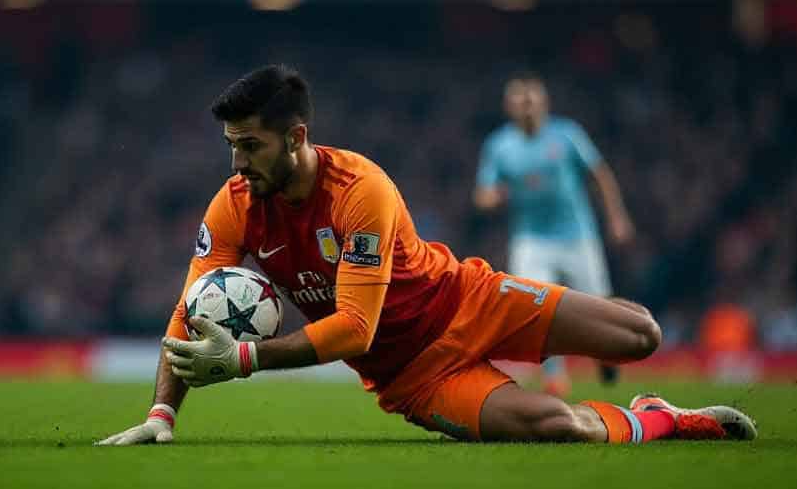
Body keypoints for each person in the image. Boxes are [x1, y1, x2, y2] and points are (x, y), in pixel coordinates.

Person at [97, 65, 756, 446]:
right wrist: (162, 412)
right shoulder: (236, 204)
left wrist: (245, 358)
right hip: (415, 377)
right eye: (231, 146)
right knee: (564, 428)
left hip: (470, 299)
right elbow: (190, 310)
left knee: (641, 334)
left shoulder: (361, 190)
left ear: (296, 137)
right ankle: (658, 419)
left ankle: (619, 362)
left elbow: (353, 325)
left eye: (250, 145)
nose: (237, 162)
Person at [473, 72, 634, 397]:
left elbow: (599, 174)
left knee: (599, 303)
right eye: (520, 99)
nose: (527, 105)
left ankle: (606, 354)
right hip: (531, 240)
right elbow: (482, 194)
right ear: (509, 106)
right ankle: (554, 375)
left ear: (544, 102)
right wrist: (492, 198)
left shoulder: (567, 135)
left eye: (531, 98)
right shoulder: (499, 145)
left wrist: (617, 217)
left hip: (578, 235)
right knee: (536, 307)